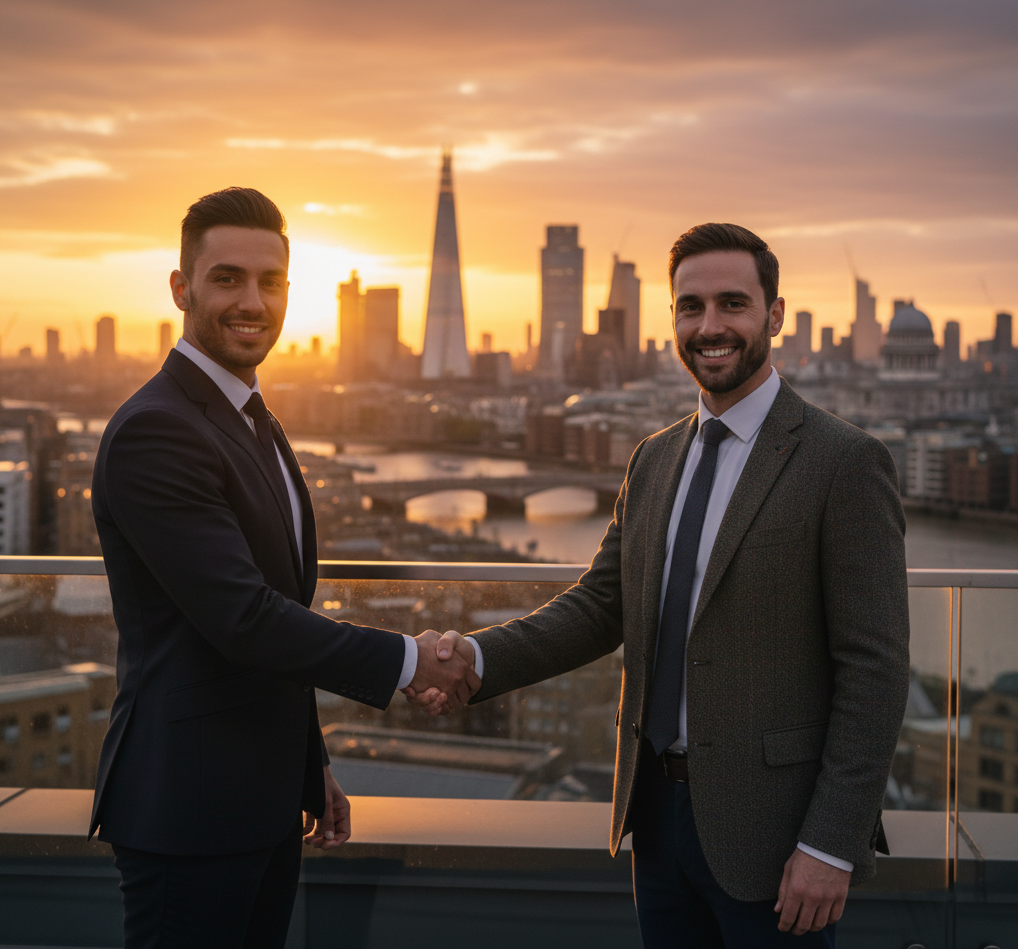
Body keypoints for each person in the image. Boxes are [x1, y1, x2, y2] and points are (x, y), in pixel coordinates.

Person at [411, 223, 910, 947]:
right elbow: (599, 605)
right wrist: (477, 659)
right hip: (655, 820)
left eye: (733, 304)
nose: (710, 327)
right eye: (690, 307)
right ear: (671, 320)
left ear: (774, 315)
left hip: (774, 835)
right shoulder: (654, 458)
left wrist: (831, 845)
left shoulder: (844, 462)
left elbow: (877, 669)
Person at [89, 187, 477, 949]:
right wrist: (409, 659)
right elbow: (244, 620)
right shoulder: (158, 431)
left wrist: (309, 766)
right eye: (227, 278)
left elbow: (269, 619)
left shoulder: (251, 420)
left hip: (259, 801)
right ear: (181, 289)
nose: (252, 301)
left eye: (271, 283)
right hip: (187, 810)